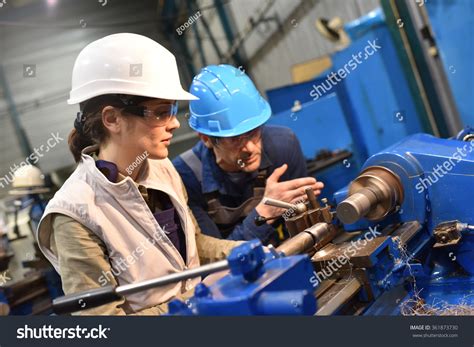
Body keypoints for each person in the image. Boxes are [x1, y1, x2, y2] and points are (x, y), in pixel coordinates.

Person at [35, 33, 241, 315]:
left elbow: (195, 244)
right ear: (112, 119)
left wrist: (239, 251)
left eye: (172, 110)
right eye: (160, 112)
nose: (174, 124)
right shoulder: (75, 213)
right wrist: (193, 303)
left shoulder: (162, 168)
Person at [173, 65, 324, 243]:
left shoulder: (283, 145)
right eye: (236, 139)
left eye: (253, 132)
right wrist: (265, 212)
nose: (251, 148)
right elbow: (213, 260)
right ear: (206, 139)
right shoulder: (185, 176)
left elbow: (306, 227)